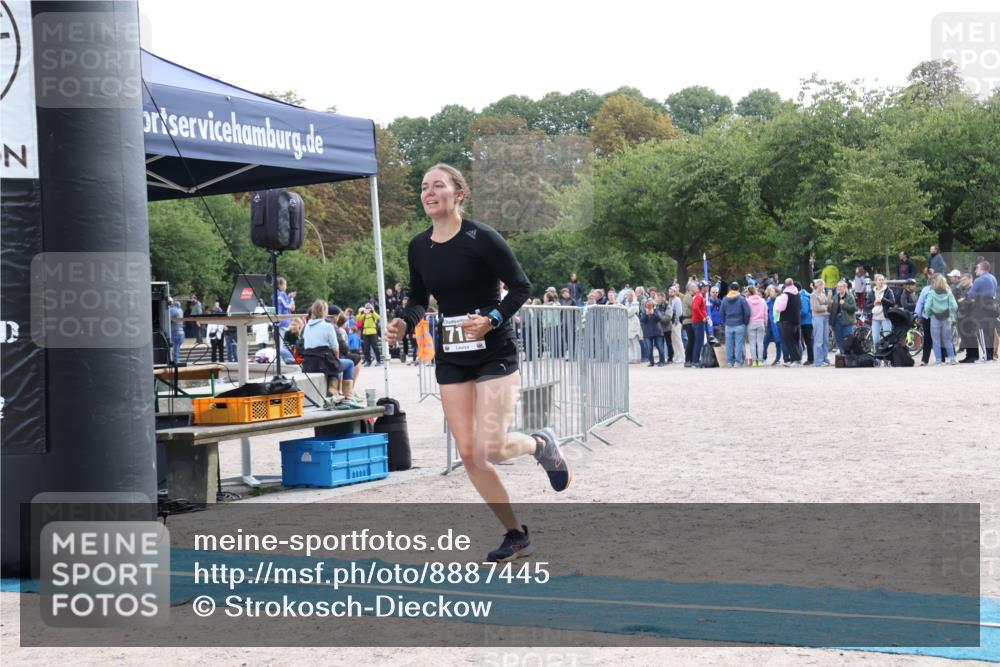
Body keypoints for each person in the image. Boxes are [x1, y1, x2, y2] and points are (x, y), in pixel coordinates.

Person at [385, 163, 570, 563]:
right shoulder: (419, 246)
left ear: (459, 193)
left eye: (438, 185)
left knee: (494, 447)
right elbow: (419, 299)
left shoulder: (481, 237)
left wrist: (492, 320)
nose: (429, 192)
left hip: (494, 351)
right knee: (470, 454)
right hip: (452, 355)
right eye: (423, 187)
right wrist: (405, 322)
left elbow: (522, 287)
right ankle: (515, 534)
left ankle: (541, 444)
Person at [301, 300, 356, 399]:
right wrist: (337, 360)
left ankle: (333, 390)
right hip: (324, 363)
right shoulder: (328, 326)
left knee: (333, 363)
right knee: (348, 363)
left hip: (308, 364)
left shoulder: (306, 327)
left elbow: (305, 346)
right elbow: (336, 349)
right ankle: (347, 396)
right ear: (325, 312)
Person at [922, 275, 959, 365]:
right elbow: (955, 306)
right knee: (947, 339)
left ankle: (938, 360)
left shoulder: (931, 293)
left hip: (935, 318)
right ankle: (952, 359)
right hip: (946, 318)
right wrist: (950, 313)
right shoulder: (949, 293)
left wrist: (929, 313)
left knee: (936, 340)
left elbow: (927, 307)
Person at [966, 260, 997, 362]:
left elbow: (970, 294)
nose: (975, 271)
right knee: (990, 332)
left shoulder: (979, 280)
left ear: (982, 269)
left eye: (977, 268)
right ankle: (991, 356)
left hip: (982, 307)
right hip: (992, 305)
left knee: (982, 331)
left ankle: (986, 356)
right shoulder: (993, 278)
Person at [719, 282, 750, 367]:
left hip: (728, 324)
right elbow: (747, 312)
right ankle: (737, 362)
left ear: (730, 289)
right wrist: (745, 322)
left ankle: (729, 362)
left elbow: (721, 313)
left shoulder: (725, 299)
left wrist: (725, 321)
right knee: (739, 343)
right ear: (738, 289)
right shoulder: (741, 299)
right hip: (740, 324)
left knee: (729, 344)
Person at [773, 278, 802, 366]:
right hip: (797, 320)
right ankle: (796, 360)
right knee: (796, 340)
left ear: (785, 285)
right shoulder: (797, 294)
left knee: (789, 341)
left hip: (787, 320)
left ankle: (796, 360)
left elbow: (780, 308)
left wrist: (777, 306)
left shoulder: (785, 295)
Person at [865, 274, 895, 350]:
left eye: (882, 280)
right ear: (876, 281)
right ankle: (877, 358)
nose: (881, 281)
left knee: (887, 338)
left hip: (885, 317)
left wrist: (882, 299)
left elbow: (892, 303)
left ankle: (888, 358)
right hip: (875, 318)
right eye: (879, 280)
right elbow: (867, 305)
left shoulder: (888, 290)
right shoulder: (872, 292)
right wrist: (874, 303)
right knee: (875, 339)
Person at [829, 280, 858, 355]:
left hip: (847, 321)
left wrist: (844, 304)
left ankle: (848, 354)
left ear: (845, 287)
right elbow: (832, 311)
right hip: (836, 320)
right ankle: (843, 354)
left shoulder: (850, 296)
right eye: (838, 287)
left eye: (841, 286)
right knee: (838, 338)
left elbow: (854, 308)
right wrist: (831, 323)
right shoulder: (835, 297)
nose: (839, 288)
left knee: (848, 338)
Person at [810, 279, 831, 366]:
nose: (824, 287)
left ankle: (825, 358)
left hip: (825, 317)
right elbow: (816, 308)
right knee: (819, 340)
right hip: (818, 318)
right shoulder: (813, 295)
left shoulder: (822, 294)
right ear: (818, 286)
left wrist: (829, 296)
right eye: (823, 285)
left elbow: (828, 304)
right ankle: (818, 361)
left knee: (825, 340)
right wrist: (825, 307)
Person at [640, 300, 666, 366]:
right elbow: (642, 320)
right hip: (647, 333)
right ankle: (651, 362)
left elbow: (660, 318)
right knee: (649, 348)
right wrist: (646, 314)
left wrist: (653, 313)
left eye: (650, 304)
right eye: (648, 305)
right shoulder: (644, 312)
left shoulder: (656, 310)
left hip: (657, 332)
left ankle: (662, 361)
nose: (649, 306)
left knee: (660, 347)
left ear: (653, 305)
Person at [745, 285, 767, 366]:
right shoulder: (762, 301)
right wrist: (766, 323)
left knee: (752, 343)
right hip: (760, 322)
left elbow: (746, 313)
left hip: (751, 323)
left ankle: (754, 361)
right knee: (760, 343)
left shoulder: (747, 301)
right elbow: (765, 314)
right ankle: (760, 361)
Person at [689, 281, 708, 367]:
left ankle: (695, 360)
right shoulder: (699, 296)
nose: (707, 288)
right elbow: (695, 308)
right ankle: (695, 361)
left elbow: (699, 308)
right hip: (698, 322)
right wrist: (702, 317)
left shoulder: (699, 296)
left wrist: (705, 316)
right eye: (706, 286)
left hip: (698, 321)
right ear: (702, 287)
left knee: (698, 341)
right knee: (698, 342)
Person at [654, 292, 674, 363]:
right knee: (659, 344)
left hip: (666, 328)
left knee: (668, 343)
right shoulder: (655, 306)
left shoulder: (667, 305)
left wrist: (659, 317)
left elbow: (668, 317)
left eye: (659, 298)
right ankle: (661, 359)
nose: (657, 299)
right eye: (657, 298)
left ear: (663, 298)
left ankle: (670, 358)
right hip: (658, 329)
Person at [624, 289, 643, 363]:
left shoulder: (635, 303)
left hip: (634, 322)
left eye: (629, 295)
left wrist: (625, 311)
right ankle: (631, 357)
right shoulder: (626, 303)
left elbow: (630, 312)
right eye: (627, 295)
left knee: (635, 341)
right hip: (628, 323)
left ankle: (637, 358)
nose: (627, 296)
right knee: (629, 342)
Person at [798, 281, 814, 365]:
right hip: (808, 321)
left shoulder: (802, 297)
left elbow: (804, 311)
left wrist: (796, 314)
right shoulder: (806, 295)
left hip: (805, 322)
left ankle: (811, 359)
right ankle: (811, 358)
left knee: (808, 341)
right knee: (809, 341)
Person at [682, 281, 697, 366]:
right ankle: (687, 359)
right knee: (691, 340)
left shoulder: (693, 296)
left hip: (693, 320)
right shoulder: (688, 296)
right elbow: (694, 305)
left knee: (694, 340)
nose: (697, 288)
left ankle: (692, 359)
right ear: (690, 288)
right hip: (688, 321)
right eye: (695, 287)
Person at [168, 298, 184, 365]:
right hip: (181, 332)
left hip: (175, 332)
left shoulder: (172, 310)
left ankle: (176, 363)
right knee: (177, 350)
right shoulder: (180, 310)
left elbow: (167, 319)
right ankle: (176, 361)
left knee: (175, 350)